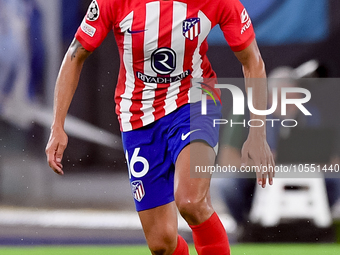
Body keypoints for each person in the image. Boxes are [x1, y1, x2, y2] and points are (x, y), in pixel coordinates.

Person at [45, 0, 274, 254]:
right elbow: (75, 54)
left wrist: (257, 133)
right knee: (161, 243)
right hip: (137, 114)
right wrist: (58, 126)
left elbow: (253, 61)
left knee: (190, 201)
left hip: (196, 99)